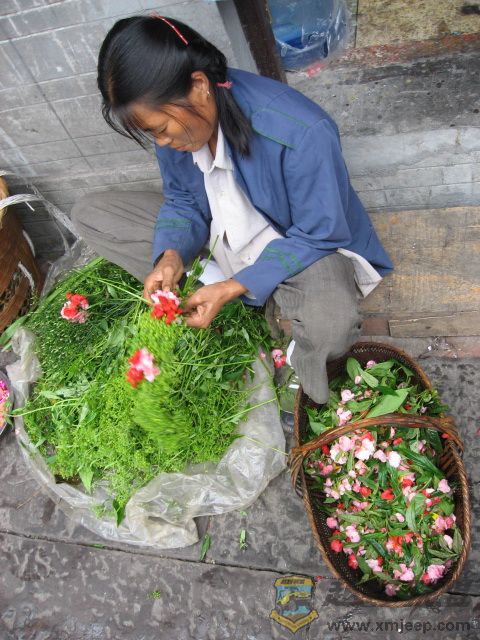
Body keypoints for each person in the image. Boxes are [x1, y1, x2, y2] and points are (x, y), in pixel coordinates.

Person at [71, 15, 393, 404]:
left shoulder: (301, 131)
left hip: (295, 247)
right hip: (220, 236)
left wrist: (236, 285)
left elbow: (319, 233)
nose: (162, 142)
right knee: (91, 213)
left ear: (199, 86)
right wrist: (170, 254)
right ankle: (214, 292)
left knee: (331, 324)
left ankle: (276, 340)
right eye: (151, 133)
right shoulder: (178, 126)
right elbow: (183, 200)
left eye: (161, 128)